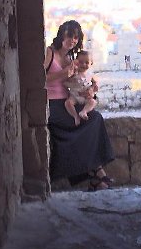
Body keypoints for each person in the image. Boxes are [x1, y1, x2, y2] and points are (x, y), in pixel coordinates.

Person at [45, 20, 114, 191]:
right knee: (84, 125)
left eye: (76, 37)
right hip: (51, 105)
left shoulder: (71, 59)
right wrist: (62, 73)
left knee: (95, 118)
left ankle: (96, 174)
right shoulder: (50, 53)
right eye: (69, 36)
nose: (72, 40)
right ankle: (98, 174)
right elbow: (39, 77)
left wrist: (90, 90)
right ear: (61, 35)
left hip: (66, 102)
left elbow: (79, 82)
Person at [64, 50, 98, 126]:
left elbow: (95, 83)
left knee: (93, 102)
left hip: (86, 96)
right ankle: (75, 116)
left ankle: (84, 111)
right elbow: (67, 81)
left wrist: (92, 88)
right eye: (81, 62)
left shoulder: (90, 74)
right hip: (75, 95)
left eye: (86, 62)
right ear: (76, 62)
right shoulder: (74, 72)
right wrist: (71, 77)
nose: (83, 65)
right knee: (68, 103)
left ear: (91, 63)